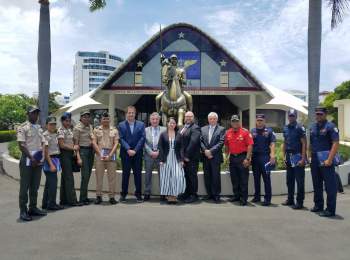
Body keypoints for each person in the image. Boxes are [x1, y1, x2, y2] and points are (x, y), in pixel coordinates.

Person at [17, 105, 47, 221]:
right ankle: (23, 211)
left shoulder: (39, 128)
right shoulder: (23, 127)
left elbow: (44, 143)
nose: (35, 115)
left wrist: (42, 156)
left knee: (35, 186)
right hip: (27, 160)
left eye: (36, 113)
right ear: (28, 114)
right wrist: (32, 157)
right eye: (33, 113)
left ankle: (33, 208)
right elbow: (21, 145)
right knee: (25, 186)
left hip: (38, 160)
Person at [309, 107, 340, 217]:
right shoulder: (313, 126)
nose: (318, 116)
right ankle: (318, 205)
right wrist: (309, 156)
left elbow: (335, 143)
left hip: (326, 160)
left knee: (329, 186)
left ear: (325, 114)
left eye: (320, 114)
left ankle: (330, 210)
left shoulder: (331, 126)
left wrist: (330, 159)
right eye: (317, 114)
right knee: (316, 184)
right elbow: (311, 143)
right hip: (315, 159)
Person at [118, 106, 145, 203]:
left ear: (135, 113)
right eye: (129, 113)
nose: (131, 114)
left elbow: (142, 138)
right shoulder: (121, 125)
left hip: (137, 154)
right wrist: (128, 149)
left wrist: (135, 150)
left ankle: (138, 195)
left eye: (132, 113)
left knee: (138, 175)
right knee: (125, 175)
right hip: (126, 154)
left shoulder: (141, 125)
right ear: (126, 114)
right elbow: (121, 139)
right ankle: (123, 194)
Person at [224, 115, 253, 206]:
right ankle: (236, 196)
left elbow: (250, 146)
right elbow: (227, 145)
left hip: (242, 157)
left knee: (243, 179)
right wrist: (227, 156)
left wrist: (247, 158)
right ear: (231, 122)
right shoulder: (228, 132)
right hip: (232, 158)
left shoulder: (245, 132)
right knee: (234, 179)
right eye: (233, 121)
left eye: (236, 121)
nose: (235, 123)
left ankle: (243, 198)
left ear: (239, 122)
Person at [92, 112, 119, 205]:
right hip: (100, 156)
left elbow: (116, 143)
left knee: (112, 178)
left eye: (107, 119)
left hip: (111, 156)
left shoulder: (114, 130)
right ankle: (98, 196)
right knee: (99, 177)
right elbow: (94, 142)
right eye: (104, 119)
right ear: (101, 120)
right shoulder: (96, 130)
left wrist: (110, 155)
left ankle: (111, 197)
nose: (106, 120)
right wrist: (100, 154)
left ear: (110, 120)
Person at [281, 109, 307, 209]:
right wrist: (283, 156)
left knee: (299, 181)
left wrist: (303, 158)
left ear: (296, 116)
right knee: (289, 180)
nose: (291, 117)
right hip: (289, 156)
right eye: (290, 116)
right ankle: (290, 199)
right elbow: (284, 142)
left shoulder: (300, 128)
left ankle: (300, 202)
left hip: (297, 156)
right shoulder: (286, 128)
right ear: (288, 116)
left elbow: (304, 143)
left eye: (293, 116)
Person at [158, 117, 186, 204]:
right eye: (170, 123)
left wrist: (181, 159)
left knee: (177, 176)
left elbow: (181, 148)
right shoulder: (163, 134)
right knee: (167, 177)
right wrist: (162, 160)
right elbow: (160, 147)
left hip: (176, 158)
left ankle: (175, 195)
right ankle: (169, 197)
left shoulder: (179, 135)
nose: (172, 124)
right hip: (166, 158)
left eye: (174, 123)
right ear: (167, 124)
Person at [251, 114, 276, 206]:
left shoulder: (269, 131)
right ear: (256, 121)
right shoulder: (252, 131)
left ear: (264, 121)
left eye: (261, 120)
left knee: (266, 178)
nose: (259, 122)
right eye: (258, 120)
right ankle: (257, 196)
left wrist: (272, 155)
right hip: (255, 157)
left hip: (265, 157)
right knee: (256, 178)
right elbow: (250, 145)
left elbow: (272, 143)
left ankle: (267, 199)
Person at [58, 112, 82, 207]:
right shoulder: (61, 130)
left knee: (65, 178)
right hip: (64, 155)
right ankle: (73, 201)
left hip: (69, 155)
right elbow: (62, 145)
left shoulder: (69, 130)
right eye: (66, 121)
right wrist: (73, 148)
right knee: (69, 178)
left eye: (69, 120)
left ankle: (63, 200)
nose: (68, 122)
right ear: (62, 121)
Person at [200, 112, 225, 203]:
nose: (212, 120)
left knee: (215, 176)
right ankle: (209, 194)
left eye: (214, 118)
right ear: (208, 119)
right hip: (205, 156)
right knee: (207, 176)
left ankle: (216, 195)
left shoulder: (221, 129)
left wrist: (211, 151)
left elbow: (221, 142)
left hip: (215, 156)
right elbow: (200, 141)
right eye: (210, 118)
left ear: (217, 119)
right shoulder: (203, 129)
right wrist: (205, 150)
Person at [42, 116, 64, 211]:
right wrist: (51, 165)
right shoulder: (45, 135)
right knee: (53, 184)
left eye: (54, 124)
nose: (53, 126)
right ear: (46, 125)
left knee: (49, 184)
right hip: (49, 160)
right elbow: (46, 152)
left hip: (55, 159)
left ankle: (45, 203)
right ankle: (52, 204)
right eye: (51, 124)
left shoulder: (54, 134)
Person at [143, 112, 166, 201]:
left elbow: (165, 143)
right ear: (150, 120)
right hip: (149, 156)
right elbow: (144, 142)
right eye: (153, 119)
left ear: (159, 120)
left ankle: (163, 193)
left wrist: (158, 152)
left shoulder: (164, 129)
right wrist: (151, 152)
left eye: (156, 119)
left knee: (162, 175)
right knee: (147, 175)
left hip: (160, 156)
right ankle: (147, 192)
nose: (155, 121)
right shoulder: (145, 130)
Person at [179, 111, 201, 203]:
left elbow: (193, 143)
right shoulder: (184, 127)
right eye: (186, 116)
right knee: (186, 176)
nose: (188, 118)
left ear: (193, 118)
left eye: (190, 117)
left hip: (191, 158)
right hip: (184, 157)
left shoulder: (195, 128)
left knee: (192, 176)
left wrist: (186, 156)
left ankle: (193, 195)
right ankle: (187, 193)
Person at [73, 110, 94, 205]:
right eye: (84, 116)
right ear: (81, 118)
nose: (86, 118)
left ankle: (85, 197)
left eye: (88, 116)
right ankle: (82, 198)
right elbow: (75, 144)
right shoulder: (77, 128)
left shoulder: (90, 126)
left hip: (90, 151)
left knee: (88, 175)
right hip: (83, 152)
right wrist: (78, 158)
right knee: (85, 176)